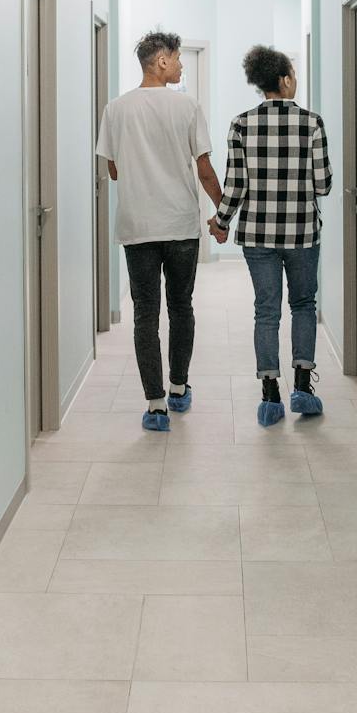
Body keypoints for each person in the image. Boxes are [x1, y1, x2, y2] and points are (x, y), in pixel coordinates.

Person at [95, 30, 227, 432]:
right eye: (177, 57)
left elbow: (112, 169)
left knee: (145, 315)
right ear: (161, 61)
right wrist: (222, 214)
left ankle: (155, 406)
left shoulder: (115, 109)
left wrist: (139, 167)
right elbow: (204, 170)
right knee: (181, 307)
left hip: (138, 227)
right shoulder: (187, 107)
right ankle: (178, 388)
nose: (182, 64)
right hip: (181, 226)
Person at [210, 46, 333, 426]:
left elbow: (235, 185)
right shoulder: (312, 123)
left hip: (258, 235)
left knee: (266, 310)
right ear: (283, 80)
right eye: (292, 74)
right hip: (301, 233)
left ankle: (269, 397)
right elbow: (324, 184)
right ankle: (302, 389)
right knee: (303, 305)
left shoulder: (241, 124)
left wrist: (221, 221)